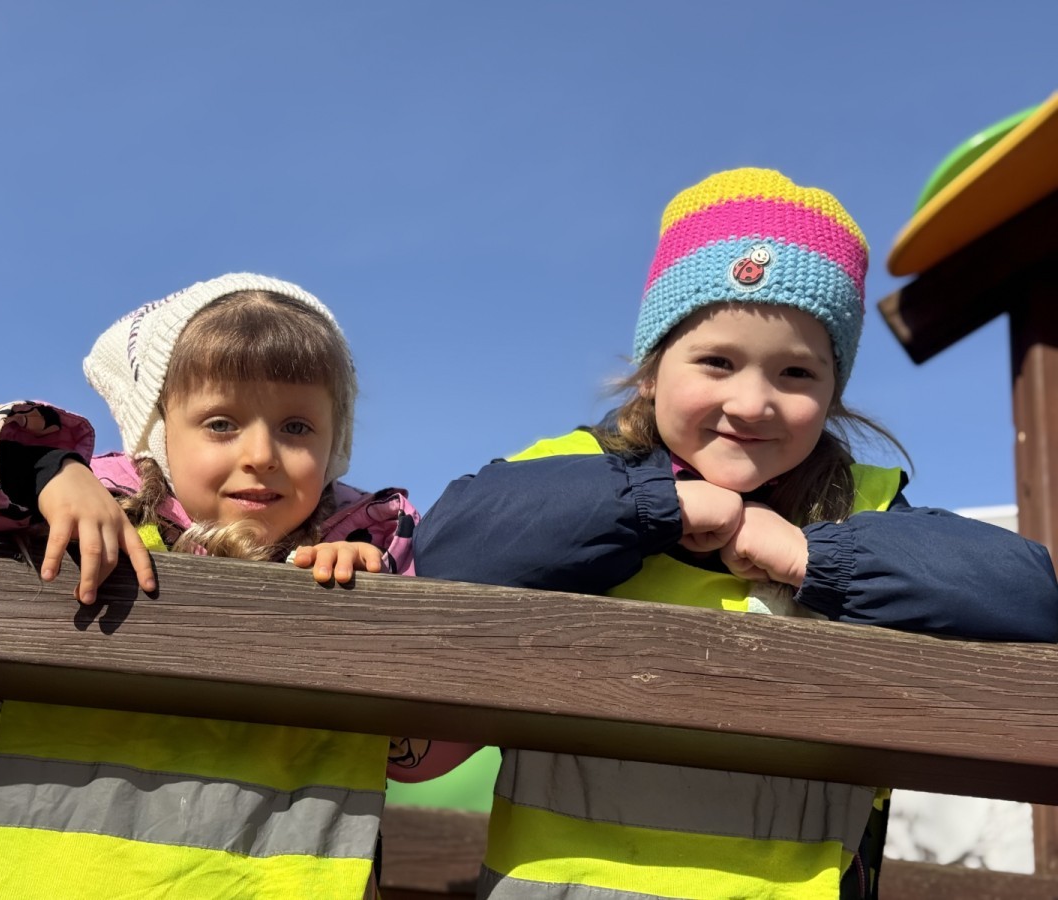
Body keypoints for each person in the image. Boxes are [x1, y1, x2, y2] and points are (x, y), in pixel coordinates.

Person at [414, 169, 1058, 900]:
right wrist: (658, 507)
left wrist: (811, 555)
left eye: (796, 373)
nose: (752, 403)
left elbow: (1027, 593)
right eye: (717, 362)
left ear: (832, 394)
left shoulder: (861, 508)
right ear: (652, 371)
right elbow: (451, 544)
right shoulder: (582, 470)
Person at [0, 272, 470, 899]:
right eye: (222, 423)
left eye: (296, 428)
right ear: (160, 430)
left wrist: (378, 600)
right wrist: (45, 472)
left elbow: (419, 757)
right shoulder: (105, 513)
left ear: (334, 440)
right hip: (62, 881)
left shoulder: (373, 546)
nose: (261, 453)